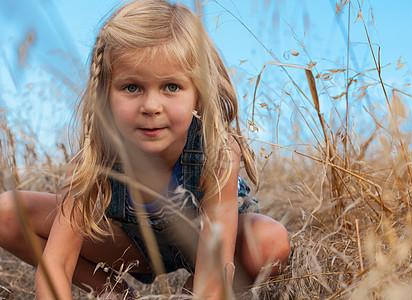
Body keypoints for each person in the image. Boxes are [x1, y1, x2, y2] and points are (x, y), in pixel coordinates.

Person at [0, 0, 290, 299]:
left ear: (199, 95)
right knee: (7, 211)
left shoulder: (217, 152)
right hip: (132, 245)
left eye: (171, 87)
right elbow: (57, 264)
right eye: (132, 87)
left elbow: (217, 264)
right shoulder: (98, 154)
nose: (151, 107)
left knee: (270, 240)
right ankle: (115, 294)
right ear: (106, 94)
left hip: (204, 245)